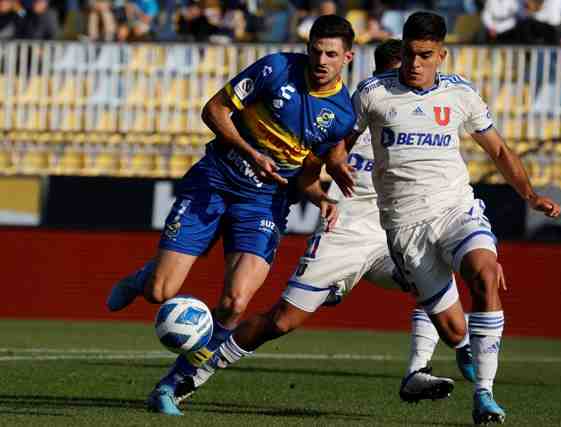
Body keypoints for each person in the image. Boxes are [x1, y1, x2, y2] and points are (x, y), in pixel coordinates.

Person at [145, 39, 481, 416]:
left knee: (436, 273)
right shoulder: (347, 119)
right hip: (346, 233)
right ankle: (183, 379)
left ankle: (421, 369)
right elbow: (306, 176)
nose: (406, 82)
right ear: (381, 75)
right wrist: (323, 197)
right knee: (281, 321)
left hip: (393, 235)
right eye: (396, 75)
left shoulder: (425, 119)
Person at [106, 14, 356, 412]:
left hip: (264, 203)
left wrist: (321, 198)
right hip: (216, 180)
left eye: (330, 54)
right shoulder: (276, 68)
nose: (321, 60)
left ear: (347, 57)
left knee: (236, 302)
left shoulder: (343, 115)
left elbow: (307, 177)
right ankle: (143, 278)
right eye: (315, 50)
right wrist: (249, 152)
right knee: (160, 292)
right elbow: (214, 110)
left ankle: (172, 385)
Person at [327, 11, 561, 425]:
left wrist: (530, 195)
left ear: (442, 55)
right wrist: (334, 165)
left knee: (485, 273)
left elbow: (500, 151)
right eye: (410, 55)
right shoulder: (372, 93)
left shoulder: (460, 94)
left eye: (425, 55)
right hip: (404, 225)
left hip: (455, 208)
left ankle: (485, 397)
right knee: (455, 332)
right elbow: (337, 142)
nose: (415, 64)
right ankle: (459, 352)